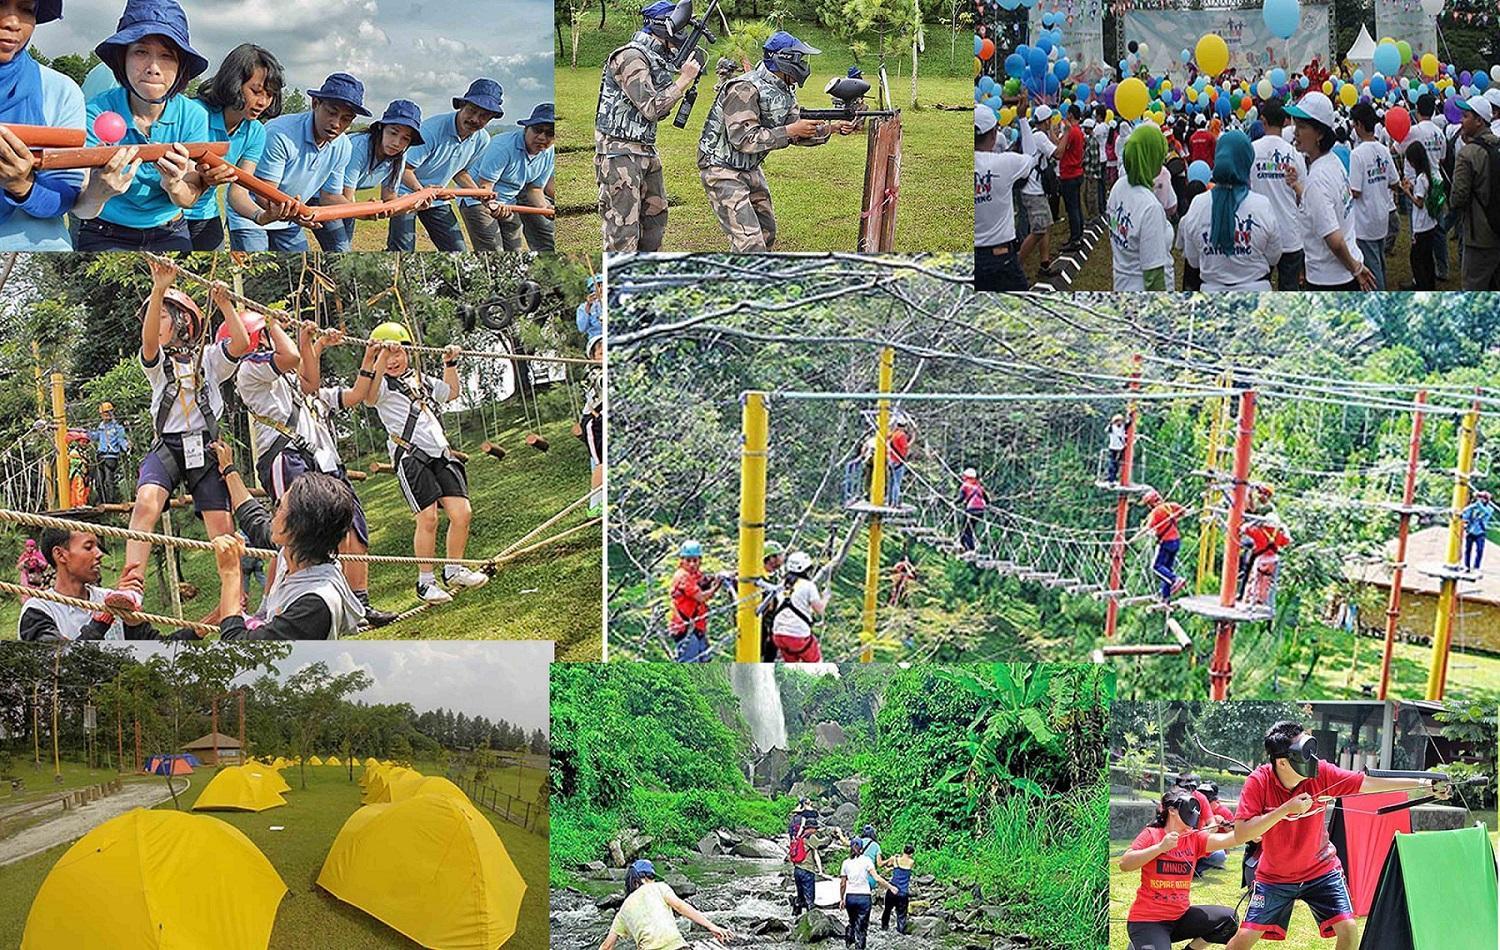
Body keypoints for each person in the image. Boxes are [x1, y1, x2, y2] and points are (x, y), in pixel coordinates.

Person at [104, 260, 249, 616]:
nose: (154, 323)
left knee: (221, 528)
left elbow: (242, 342)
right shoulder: (155, 363)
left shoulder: (211, 359)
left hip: (206, 447)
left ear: (184, 322)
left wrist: (225, 304)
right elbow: (149, 339)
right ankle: (132, 584)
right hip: (168, 447)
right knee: (146, 504)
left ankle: (235, 600)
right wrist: (158, 290)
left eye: (164, 316)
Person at [1224, 721, 1446, 949]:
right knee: (1244, 938)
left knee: (1348, 929)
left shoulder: (1321, 773)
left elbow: (1367, 782)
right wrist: (1285, 810)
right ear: (1282, 762)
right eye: (1303, 754)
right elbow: (1241, 833)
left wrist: (1425, 784)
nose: (1312, 759)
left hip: (1321, 870)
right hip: (1275, 878)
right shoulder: (1259, 782)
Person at [234, 317, 398, 626]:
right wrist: (278, 325)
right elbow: (294, 359)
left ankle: (360, 602)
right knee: (293, 530)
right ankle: (270, 606)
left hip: (319, 460)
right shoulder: (251, 370)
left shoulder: (301, 388)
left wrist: (315, 342)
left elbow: (318, 384)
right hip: (286, 454)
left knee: (352, 526)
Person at [72, 0, 214, 252]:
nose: (153, 68)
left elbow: (189, 198)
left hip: (170, 229)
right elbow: (82, 209)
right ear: (122, 58)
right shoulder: (95, 112)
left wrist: (173, 185)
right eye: (140, 52)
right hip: (104, 230)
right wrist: (99, 191)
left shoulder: (193, 115)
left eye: (167, 55)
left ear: (181, 66)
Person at [363, 322, 489, 603]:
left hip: (440, 452)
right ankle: (425, 582)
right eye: (387, 354)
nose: (394, 360)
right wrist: (379, 357)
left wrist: (450, 363)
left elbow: (452, 392)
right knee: (428, 518)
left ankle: (453, 570)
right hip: (410, 456)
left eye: (398, 353)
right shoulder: (380, 385)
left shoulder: (423, 380)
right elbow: (369, 398)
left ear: (409, 352)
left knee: (462, 513)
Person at [697, 31, 854, 252]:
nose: (803, 64)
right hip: (721, 169)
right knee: (750, 244)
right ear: (784, 60)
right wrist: (789, 130)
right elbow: (743, 139)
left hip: (749, 167)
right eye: (799, 58)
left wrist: (832, 128)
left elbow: (796, 130)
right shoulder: (744, 87)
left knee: (766, 232)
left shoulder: (783, 88)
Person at [1120, 784, 1314, 950]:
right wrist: (1160, 848)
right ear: (1172, 810)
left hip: (1179, 917)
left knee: (1227, 920)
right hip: (1148, 920)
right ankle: (1143, 941)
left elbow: (1230, 838)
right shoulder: (1152, 834)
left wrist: (1252, 830)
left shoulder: (1194, 838)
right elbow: (1125, 864)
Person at [208, 443, 364, 640]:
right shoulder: (297, 552)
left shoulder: (314, 604)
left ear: (298, 526)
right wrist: (229, 468)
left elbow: (237, 647)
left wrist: (231, 573)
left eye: (280, 507)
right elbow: (253, 517)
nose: (274, 511)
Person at [595, 1, 702, 252]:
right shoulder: (631, 56)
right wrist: (684, 80)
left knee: (655, 220)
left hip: (645, 150)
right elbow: (652, 108)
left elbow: (659, 112)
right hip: (619, 153)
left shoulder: (653, 58)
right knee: (623, 230)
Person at [234, 72, 364, 251]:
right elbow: (264, 195)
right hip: (251, 215)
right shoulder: (280, 133)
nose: (336, 123)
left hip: (288, 221)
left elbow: (329, 197)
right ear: (315, 104)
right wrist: (299, 214)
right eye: (332, 113)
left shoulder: (343, 146)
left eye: (345, 119)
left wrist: (363, 211)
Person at [0, 0, 85, 251]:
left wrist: (21, 185)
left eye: (27, 9)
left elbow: (67, 193)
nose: (12, 22)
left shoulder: (61, 91)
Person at [388, 78, 503, 252]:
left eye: (484, 116)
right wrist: (422, 192)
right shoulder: (432, 130)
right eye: (472, 111)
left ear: (491, 118)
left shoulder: (482, 139)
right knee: (403, 248)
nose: (475, 119)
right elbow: (405, 168)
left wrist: (479, 194)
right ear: (462, 106)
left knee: (457, 249)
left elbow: (460, 171)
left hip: (437, 199)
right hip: (406, 194)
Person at [186, 44, 281, 251]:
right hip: (168, 215)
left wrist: (260, 216)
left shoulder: (256, 132)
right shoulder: (193, 113)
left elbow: (238, 191)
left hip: (205, 215)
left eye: (270, 94)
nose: (263, 102)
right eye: (255, 91)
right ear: (234, 83)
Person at [19, 526, 179, 641]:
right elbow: (61, 667)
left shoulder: (108, 597)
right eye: (89, 547)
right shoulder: (38, 610)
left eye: (98, 547)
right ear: (60, 555)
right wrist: (104, 618)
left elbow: (156, 651)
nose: (99, 554)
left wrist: (197, 633)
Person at [1282, 92, 1375, 290]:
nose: (1295, 133)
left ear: (1320, 134)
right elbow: (1322, 205)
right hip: (1346, 267)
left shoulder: (1317, 178)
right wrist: (1297, 184)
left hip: (1331, 279)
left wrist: (1356, 269)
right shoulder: (1334, 162)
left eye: (1302, 127)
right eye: (1295, 125)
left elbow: (1334, 240)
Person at [1179, 129, 1283, 292]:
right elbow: (1273, 256)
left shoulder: (1198, 205)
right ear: (1247, 160)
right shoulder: (1262, 205)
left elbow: (1193, 261)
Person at [316, 99, 424, 253]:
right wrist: (367, 210)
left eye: (405, 139)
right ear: (381, 128)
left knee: (345, 245)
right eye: (393, 133)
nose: (397, 143)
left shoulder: (399, 156)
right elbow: (344, 198)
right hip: (325, 196)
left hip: (344, 202)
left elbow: (390, 199)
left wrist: (412, 204)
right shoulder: (358, 147)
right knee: (341, 247)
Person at [461, 102, 556, 251]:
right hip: (478, 198)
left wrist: (545, 208)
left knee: (514, 249)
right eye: (538, 130)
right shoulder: (502, 147)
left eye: (550, 133)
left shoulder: (549, 153)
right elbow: (485, 187)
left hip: (509, 201)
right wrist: (492, 205)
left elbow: (535, 188)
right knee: (493, 248)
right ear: (526, 129)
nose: (542, 137)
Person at [975, 101, 1040, 291]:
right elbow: (1032, 155)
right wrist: (1022, 118)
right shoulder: (1005, 164)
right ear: (994, 134)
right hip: (1000, 257)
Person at [601, 859, 734, 950]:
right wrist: (712, 926)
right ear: (637, 881)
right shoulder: (659, 887)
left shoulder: (622, 911)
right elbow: (681, 907)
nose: (652, 881)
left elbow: (607, 946)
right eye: (650, 877)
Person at [1107, 123, 1173, 291]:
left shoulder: (1119, 186)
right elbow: (1154, 275)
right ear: (1151, 157)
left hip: (1121, 282)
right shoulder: (1150, 207)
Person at [1249, 98, 1307, 290]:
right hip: (1289, 233)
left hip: (1259, 233)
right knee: (1289, 290)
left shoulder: (1251, 151)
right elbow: (1303, 196)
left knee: (1257, 286)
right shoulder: (1294, 154)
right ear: (1285, 121)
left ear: (1263, 120)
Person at [1450, 96, 1500, 290]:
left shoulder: (1468, 154)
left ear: (1479, 121)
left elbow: (1457, 198)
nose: (1461, 121)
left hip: (1479, 235)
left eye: (1465, 116)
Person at [1346, 103, 1394, 290]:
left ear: (1358, 124)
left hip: (1365, 220)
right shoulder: (1383, 149)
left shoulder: (1357, 154)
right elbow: (1393, 181)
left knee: (1372, 268)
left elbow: (1355, 191)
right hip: (1382, 214)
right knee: (1380, 261)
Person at [1016, 105, 1060, 278]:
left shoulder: (1035, 134)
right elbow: (1058, 154)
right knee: (1039, 230)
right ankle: (1015, 264)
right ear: (1046, 120)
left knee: (1046, 226)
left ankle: (1044, 264)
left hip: (1035, 189)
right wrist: (1069, 135)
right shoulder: (1040, 136)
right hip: (1033, 191)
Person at [1400, 138, 1443, 291]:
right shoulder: (1431, 175)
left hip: (1421, 226)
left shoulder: (1421, 178)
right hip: (1431, 223)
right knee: (1428, 259)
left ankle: (1421, 286)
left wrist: (1407, 192)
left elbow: (1419, 203)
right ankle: (1430, 285)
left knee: (1417, 260)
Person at [769, 550, 828, 662]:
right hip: (798, 636)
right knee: (816, 665)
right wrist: (826, 597)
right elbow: (819, 609)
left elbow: (773, 606)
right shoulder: (808, 586)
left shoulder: (782, 584)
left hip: (778, 635)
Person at [669, 539, 721, 661]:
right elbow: (701, 597)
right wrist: (716, 587)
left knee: (704, 663)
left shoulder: (695, 575)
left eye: (695, 560)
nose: (692, 564)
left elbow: (703, 581)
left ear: (700, 561)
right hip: (686, 629)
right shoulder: (683, 576)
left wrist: (715, 578)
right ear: (682, 561)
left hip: (697, 628)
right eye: (688, 560)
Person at [839, 838, 894, 950]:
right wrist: (890, 887)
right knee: (862, 927)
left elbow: (842, 884)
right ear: (862, 848)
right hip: (864, 897)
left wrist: (841, 899)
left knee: (852, 921)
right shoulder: (867, 861)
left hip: (850, 897)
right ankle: (859, 947)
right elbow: (877, 878)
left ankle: (849, 943)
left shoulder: (845, 863)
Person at [1135, 487, 1188, 601]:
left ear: (1151, 504)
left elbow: (1146, 528)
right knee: (1166, 569)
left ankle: (1176, 579)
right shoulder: (1170, 506)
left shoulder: (1156, 512)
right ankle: (1166, 598)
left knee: (1156, 567)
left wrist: (1134, 538)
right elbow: (1184, 511)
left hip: (1166, 542)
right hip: (1176, 541)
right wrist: (1174, 518)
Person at [1239, 517, 1291, 608]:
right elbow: (1288, 540)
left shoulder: (1259, 531)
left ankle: (1248, 601)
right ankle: (1263, 601)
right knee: (1267, 581)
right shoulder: (1278, 534)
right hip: (1272, 562)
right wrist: (1285, 528)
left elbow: (1243, 528)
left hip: (1259, 560)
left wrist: (1255, 521)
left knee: (1253, 580)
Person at [1056, 104, 1087, 252]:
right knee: (1076, 207)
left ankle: (1075, 239)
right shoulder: (1079, 131)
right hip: (1077, 172)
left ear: (1070, 115)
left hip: (1069, 173)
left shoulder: (1072, 132)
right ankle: (1078, 234)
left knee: (1072, 208)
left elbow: (1059, 148)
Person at [580, 334, 604, 515]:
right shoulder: (593, 374)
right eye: (601, 353)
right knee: (601, 463)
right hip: (594, 422)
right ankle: (594, 506)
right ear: (593, 357)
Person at [92, 402, 131, 506]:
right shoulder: (100, 427)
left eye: (108, 413)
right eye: (104, 413)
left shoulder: (117, 428)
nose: (106, 415)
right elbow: (95, 436)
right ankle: (103, 501)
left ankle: (110, 503)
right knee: (98, 482)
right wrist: (84, 434)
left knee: (109, 481)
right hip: (100, 457)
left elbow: (121, 440)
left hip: (111, 457)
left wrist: (127, 447)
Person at [757, 539, 786, 662]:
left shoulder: (774, 575)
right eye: (780, 555)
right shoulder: (761, 577)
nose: (782, 558)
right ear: (771, 558)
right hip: (761, 624)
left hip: (772, 624)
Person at [879, 844, 915, 933]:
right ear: (911, 854)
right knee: (901, 915)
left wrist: (892, 861)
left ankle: (884, 927)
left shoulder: (894, 859)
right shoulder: (911, 862)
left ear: (903, 850)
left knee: (887, 910)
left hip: (892, 890)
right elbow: (904, 868)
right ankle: (900, 930)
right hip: (903, 893)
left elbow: (885, 864)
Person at [1461, 490, 1493, 571]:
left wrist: (1477, 501)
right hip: (1471, 531)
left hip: (1480, 532)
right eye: (1480, 497)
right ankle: (1466, 566)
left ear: (1486, 500)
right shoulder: (1474, 507)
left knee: (1479, 550)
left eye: (1483, 498)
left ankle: (1476, 567)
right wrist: (1463, 514)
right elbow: (1466, 514)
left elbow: (1484, 511)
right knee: (1468, 550)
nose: (1481, 499)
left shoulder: (1489, 509)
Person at [957, 466, 987, 552]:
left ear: (966, 477)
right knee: (969, 529)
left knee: (966, 531)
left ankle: (969, 549)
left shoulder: (965, 486)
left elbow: (960, 498)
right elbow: (987, 500)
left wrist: (953, 503)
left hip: (971, 510)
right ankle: (967, 547)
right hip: (980, 511)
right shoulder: (979, 487)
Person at [885, 419, 910, 507]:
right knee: (896, 482)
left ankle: (889, 500)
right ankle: (895, 502)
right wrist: (914, 438)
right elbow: (905, 447)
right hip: (898, 461)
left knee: (891, 481)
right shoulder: (902, 435)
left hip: (891, 460)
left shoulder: (893, 435)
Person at [577, 274, 604, 338]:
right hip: (597, 338)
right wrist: (588, 306)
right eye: (598, 285)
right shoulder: (583, 307)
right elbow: (582, 328)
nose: (601, 288)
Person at [1104, 413, 1127, 483]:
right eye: (1118, 421)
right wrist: (1111, 423)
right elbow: (1106, 430)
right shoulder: (1111, 427)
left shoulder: (1123, 427)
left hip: (1120, 448)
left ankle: (1114, 478)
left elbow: (1129, 422)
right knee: (1112, 463)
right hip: (1113, 447)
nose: (1120, 422)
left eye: (1121, 421)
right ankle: (1111, 479)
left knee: (1117, 464)